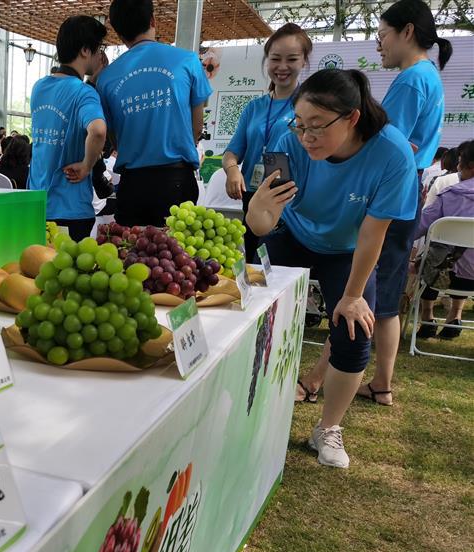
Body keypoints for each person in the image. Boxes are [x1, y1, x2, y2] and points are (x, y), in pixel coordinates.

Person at [246, 69, 416, 467]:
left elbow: (374, 233)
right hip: (293, 234)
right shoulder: (288, 144)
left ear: (352, 118)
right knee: (251, 309)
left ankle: (327, 429)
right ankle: (249, 404)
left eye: (318, 127)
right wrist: (257, 213)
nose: (306, 137)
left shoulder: (391, 154)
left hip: (347, 248)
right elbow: (264, 223)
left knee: (355, 332)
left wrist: (354, 296)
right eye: (300, 125)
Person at [297, 0, 453, 408]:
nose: (379, 45)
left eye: (382, 36)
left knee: (362, 294)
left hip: (391, 194)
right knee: (383, 297)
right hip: (408, 192)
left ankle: (316, 378)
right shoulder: (428, 75)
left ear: (407, 32)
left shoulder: (410, 80)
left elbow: (383, 145)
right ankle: (382, 383)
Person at [95, 0, 212, 226]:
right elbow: (196, 127)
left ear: (119, 34)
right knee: (175, 257)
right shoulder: (187, 61)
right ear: (153, 20)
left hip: (132, 184)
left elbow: (113, 138)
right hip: (176, 179)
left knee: (131, 255)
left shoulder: (107, 79)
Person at [222, 23, 312, 261]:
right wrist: (232, 170)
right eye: (275, 59)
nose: (282, 67)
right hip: (254, 198)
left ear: (304, 61)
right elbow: (232, 152)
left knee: (282, 271)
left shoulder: (311, 106)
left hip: (293, 199)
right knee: (254, 268)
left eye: (291, 59)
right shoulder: (254, 107)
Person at [27, 15, 108, 241]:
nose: (100, 55)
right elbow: (98, 130)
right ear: (85, 50)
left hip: (38, 205)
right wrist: (86, 165)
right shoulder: (84, 93)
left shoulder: (39, 88)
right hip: (71, 209)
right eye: (98, 48)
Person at [415, 140, 474, 339]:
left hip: (444, 277)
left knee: (431, 257)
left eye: (459, 162)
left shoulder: (449, 196)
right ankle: (454, 316)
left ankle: (427, 317)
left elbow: (419, 228)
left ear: (470, 166)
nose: (457, 167)